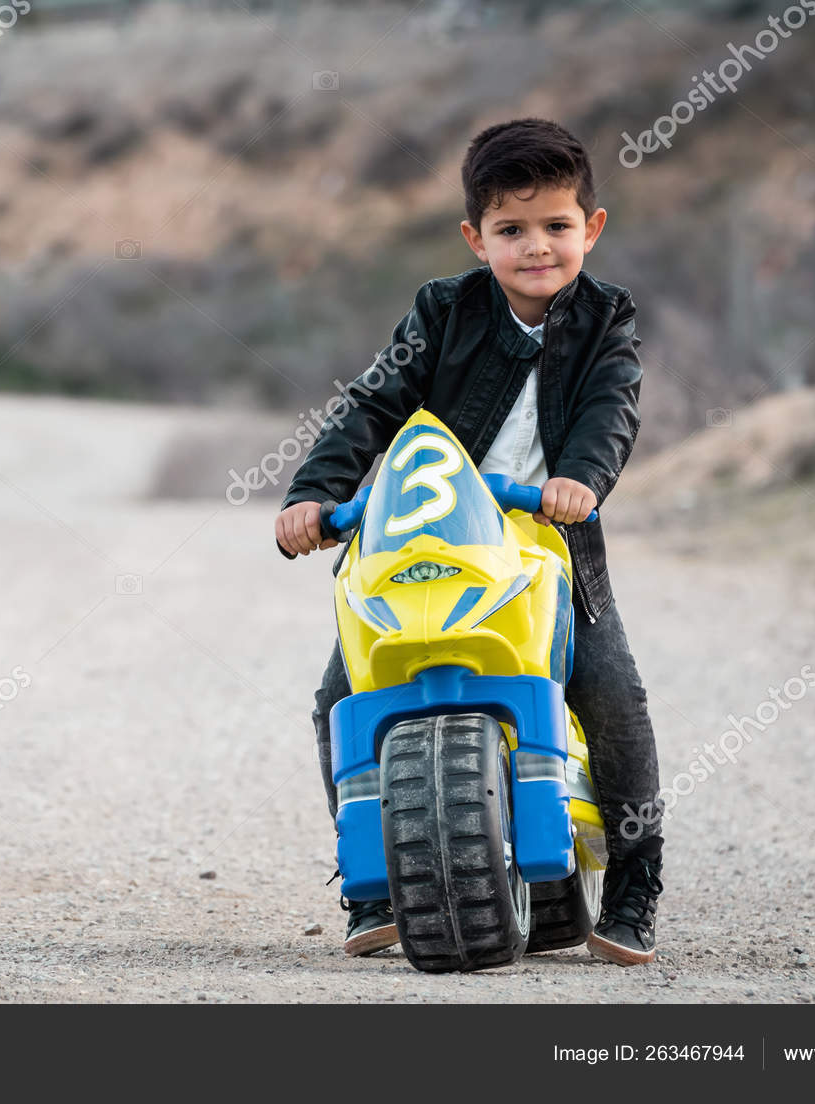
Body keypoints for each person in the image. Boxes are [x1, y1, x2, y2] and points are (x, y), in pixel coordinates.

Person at [274, 118, 664, 966]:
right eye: (511, 230)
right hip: (425, 537)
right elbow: (371, 404)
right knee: (338, 700)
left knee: (614, 699)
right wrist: (316, 494)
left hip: (544, 550)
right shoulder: (443, 311)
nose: (536, 247)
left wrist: (581, 482)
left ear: (591, 229)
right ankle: (372, 883)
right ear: (475, 238)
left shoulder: (606, 320)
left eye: (557, 226)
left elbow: (612, 410)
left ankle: (636, 885)